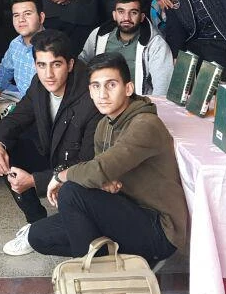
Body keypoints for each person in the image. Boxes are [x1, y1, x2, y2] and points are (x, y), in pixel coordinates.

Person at [23, 54, 187, 267]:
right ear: (90, 91)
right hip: (123, 209)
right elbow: (100, 175)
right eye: (96, 86)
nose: (103, 94)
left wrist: (60, 175)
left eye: (111, 85)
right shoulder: (105, 124)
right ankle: (106, 261)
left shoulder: (145, 124)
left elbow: (98, 170)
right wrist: (102, 179)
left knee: (71, 191)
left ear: (128, 88)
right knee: (38, 235)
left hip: (158, 227)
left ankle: (93, 274)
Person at [0, 29, 101, 240]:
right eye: (41, 65)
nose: (48, 74)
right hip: (54, 155)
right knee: (7, 151)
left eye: (56, 64)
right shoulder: (38, 84)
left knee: (75, 194)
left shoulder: (92, 96)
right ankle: (36, 222)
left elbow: (89, 162)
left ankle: (72, 227)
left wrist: (35, 180)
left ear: (70, 64)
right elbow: (16, 119)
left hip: (82, 172)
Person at [79, 0, 173, 97]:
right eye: (121, 12)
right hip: (101, 99)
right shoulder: (98, 35)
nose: (126, 18)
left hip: (137, 103)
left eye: (133, 13)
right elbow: (82, 64)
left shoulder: (155, 44)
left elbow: (162, 88)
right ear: (114, 15)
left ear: (142, 17)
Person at [0, 0, 46, 105]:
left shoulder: (52, 46)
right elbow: (4, 73)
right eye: (16, 15)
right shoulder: (15, 44)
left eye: (27, 14)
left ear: (41, 17)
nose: (21, 19)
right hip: (24, 104)